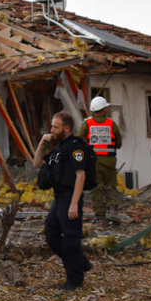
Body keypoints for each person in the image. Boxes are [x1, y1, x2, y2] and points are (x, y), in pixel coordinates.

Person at [33, 111, 93, 291]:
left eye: (55, 127)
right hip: (58, 196)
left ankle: (74, 279)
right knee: (51, 233)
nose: (52, 129)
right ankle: (81, 262)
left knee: (70, 240)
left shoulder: (75, 146)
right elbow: (36, 164)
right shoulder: (57, 147)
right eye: (51, 126)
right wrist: (42, 142)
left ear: (66, 128)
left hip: (70, 196)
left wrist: (74, 203)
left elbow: (80, 176)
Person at [77, 96, 123, 223]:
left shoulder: (87, 124)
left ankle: (101, 218)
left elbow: (78, 141)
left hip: (94, 163)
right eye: (105, 108)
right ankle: (113, 210)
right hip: (110, 162)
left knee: (96, 189)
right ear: (103, 110)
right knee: (111, 186)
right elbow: (118, 143)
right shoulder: (112, 124)